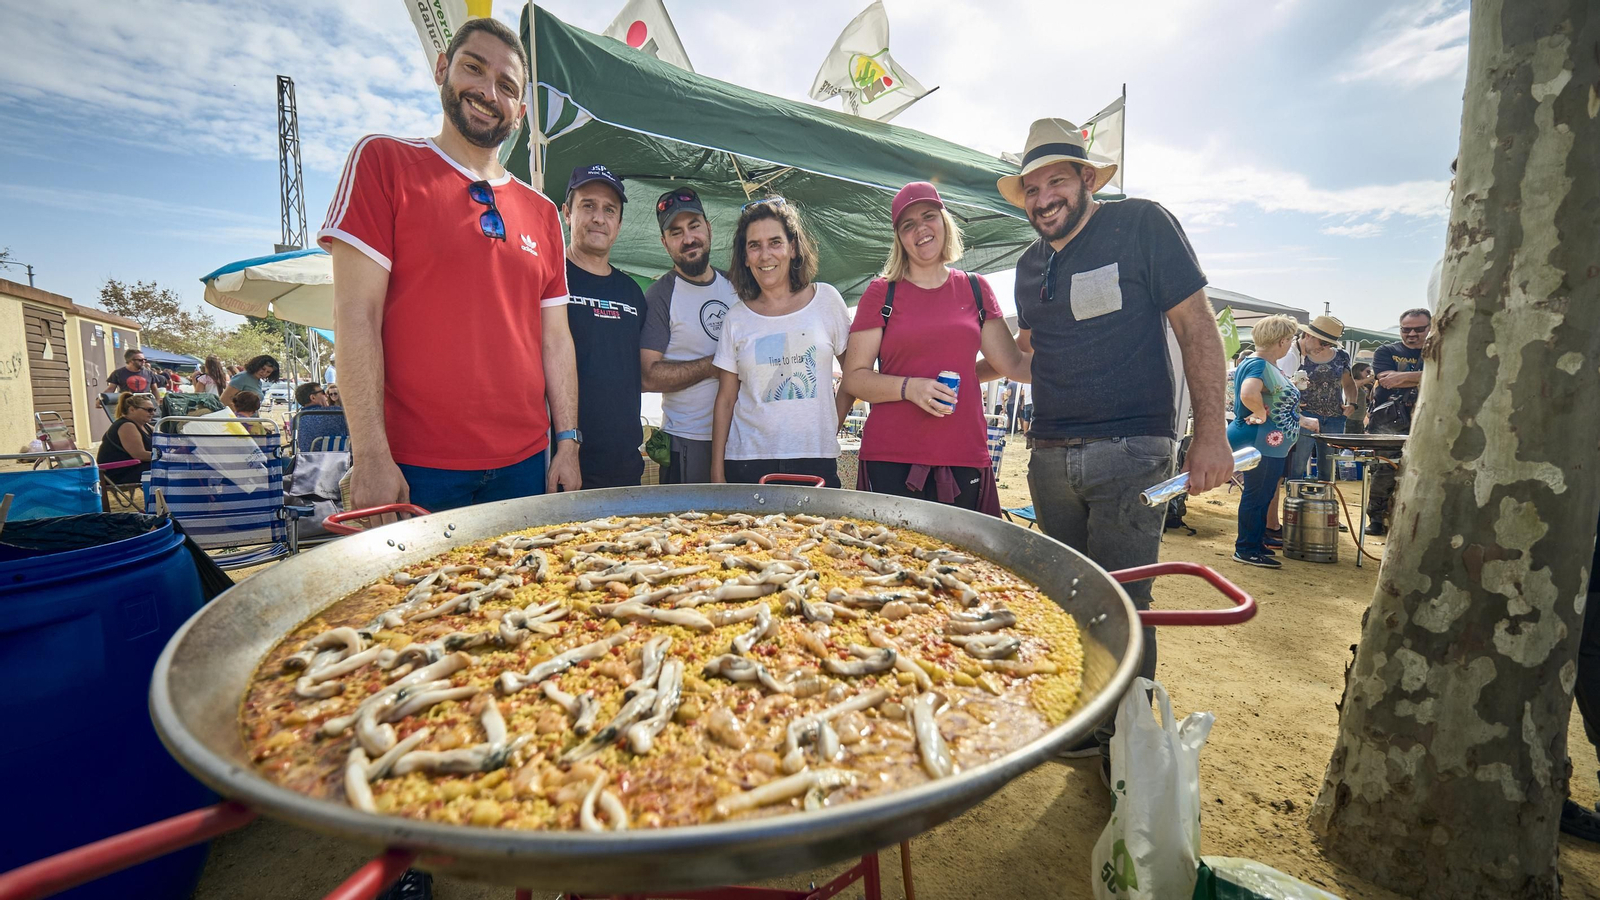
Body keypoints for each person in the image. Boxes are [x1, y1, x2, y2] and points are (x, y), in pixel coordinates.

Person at [1002, 118, 1232, 760]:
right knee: (1072, 595)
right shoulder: (1026, 266)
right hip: (1048, 455)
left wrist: (1209, 433)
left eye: (1056, 181)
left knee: (1126, 601)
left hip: (1133, 451)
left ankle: (1129, 751)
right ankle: (1086, 725)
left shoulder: (1141, 224)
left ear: (1086, 178)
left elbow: (1196, 326)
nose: (1043, 197)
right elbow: (1024, 356)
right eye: (1031, 188)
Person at [320, 16, 580, 513]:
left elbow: (555, 339)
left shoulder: (545, 213)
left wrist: (567, 441)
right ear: (443, 68)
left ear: (520, 112)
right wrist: (371, 453)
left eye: (506, 85)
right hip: (416, 465)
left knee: (530, 591)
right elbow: (355, 316)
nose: (488, 91)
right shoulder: (383, 162)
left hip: (526, 464)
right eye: (473, 68)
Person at [841, 181, 1026, 512]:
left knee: (964, 562)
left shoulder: (975, 288)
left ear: (945, 222)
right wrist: (911, 388)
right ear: (899, 238)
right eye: (907, 224)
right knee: (890, 562)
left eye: (929, 216)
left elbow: (1011, 363)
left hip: (963, 454)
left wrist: (1048, 332)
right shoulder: (881, 293)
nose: (921, 229)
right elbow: (854, 378)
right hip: (891, 456)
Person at [710, 198, 854, 486]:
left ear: (793, 247)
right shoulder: (736, 318)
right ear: (745, 257)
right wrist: (716, 472)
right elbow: (725, 400)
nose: (765, 255)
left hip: (814, 459)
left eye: (775, 242)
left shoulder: (826, 300)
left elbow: (855, 375)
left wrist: (830, 425)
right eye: (754, 245)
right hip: (746, 461)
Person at [640, 188, 739, 484]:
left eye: (694, 226)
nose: (688, 238)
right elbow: (648, 377)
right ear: (664, 243)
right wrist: (714, 365)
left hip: (743, 438)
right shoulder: (660, 296)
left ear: (708, 228)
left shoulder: (737, 285)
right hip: (688, 442)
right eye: (675, 232)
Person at [561, 163, 647, 488]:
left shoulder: (632, 293)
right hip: (565, 465)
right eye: (588, 206)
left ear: (619, 225)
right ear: (567, 213)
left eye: (609, 210)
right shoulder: (550, 280)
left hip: (625, 466)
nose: (599, 217)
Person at [1227, 316, 1320, 568]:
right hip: (1260, 441)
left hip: (1269, 443)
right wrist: (1258, 413)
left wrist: (1302, 420)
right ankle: (1245, 548)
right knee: (1257, 495)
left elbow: (1278, 403)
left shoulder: (1265, 365)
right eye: (1289, 339)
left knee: (1263, 494)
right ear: (1282, 341)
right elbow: (1248, 392)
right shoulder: (1259, 365)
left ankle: (1254, 543)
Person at [1364, 307, 1430, 534]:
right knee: (1384, 468)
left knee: (1423, 469)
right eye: (1406, 329)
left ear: (1430, 328)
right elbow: (1386, 381)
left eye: (1419, 329)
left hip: (1427, 418)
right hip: (1388, 418)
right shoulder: (1386, 350)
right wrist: (1427, 376)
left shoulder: (1438, 351)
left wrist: (1404, 377)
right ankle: (1376, 519)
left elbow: (1447, 377)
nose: (1412, 334)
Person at [1285, 316, 1357, 481]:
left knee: (1328, 469)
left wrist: (1352, 404)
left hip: (1335, 417)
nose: (1325, 347)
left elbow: (1349, 382)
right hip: (1305, 416)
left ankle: (1325, 503)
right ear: (1309, 335)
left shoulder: (1341, 356)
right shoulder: (1297, 354)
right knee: (1296, 466)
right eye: (1323, 342)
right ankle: (1294, 504)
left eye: (1329, 343)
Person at [96, 392, 155, 484]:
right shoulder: (126, 426)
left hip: (134, 466)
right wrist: (168, 457)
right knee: (170, 468)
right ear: (132, 410)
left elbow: (166, 439)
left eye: (154, 410)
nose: (153, 413)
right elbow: (140, 454)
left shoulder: (145, 425)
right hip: (118, 471)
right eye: (149, 410)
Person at [1345, 362, 1374, 434]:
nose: (1369, 374)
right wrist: (1373, 376)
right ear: (1358, 371)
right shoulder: (1353, 382)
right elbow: (1356, 384)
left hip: (1359, 418)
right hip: (1352, 417)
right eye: (1367, 371)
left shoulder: (1363, 385)